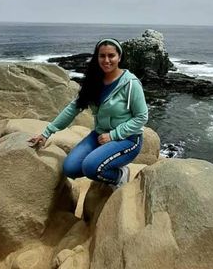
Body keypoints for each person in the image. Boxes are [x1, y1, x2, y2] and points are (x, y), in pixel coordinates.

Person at [28, 38, 148, 189]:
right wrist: (46, 133)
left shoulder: (131, 83)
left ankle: (120, 175)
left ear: (119, 57)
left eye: (111, 55)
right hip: (99, 135)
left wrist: (113, 135)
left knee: (90, 167)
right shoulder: (94, 81)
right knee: (70, 168)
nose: (106, 60)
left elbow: (142, 117)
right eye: (102, 56)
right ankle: (105, 165)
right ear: (97, 57)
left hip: (128, 139)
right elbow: (73, 109)